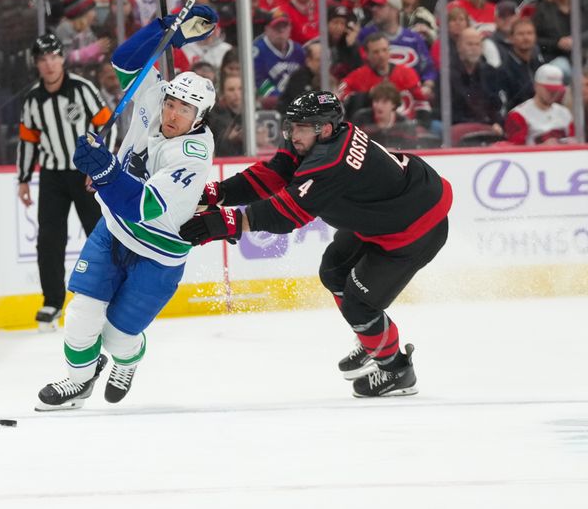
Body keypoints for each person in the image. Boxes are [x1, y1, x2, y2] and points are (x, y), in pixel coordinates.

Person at [179, 91, 452, 397]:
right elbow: (274, 174)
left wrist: (221, 222)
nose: (291, 134)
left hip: (415, 228)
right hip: (391, 212)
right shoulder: (319, 140)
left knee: (359, 305)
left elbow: (285, 213)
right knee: (334, 270)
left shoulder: (330, 161)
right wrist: (215, 193)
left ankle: (396, 369)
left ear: (323, 128)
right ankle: (373, 341)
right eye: (291, 125)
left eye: (299, 128)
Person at [36, 5, 219, 409]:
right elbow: (125, 60)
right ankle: (77, 382)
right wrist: (166, 31)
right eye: (171, 102)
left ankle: (128, 359)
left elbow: (145, 207)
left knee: (118, 337)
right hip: (113, 232)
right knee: (80, 315)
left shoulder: (193, 152)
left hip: (158, 254)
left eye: (184, 110)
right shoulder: (156, 100)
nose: (171, 113)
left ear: (200, 116)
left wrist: (104, 171)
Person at [16, 34, 118, 332]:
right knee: (49, 239)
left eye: (53, 57)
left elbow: (106, 124)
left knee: (99, 235)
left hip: (84, 173)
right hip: (52, 176)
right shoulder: (33, 99)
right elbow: (27, 142)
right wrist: (23, 179)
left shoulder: (83, 89)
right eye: (42, 59)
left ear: (62, 58)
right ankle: (52, 302)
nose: (49, 64)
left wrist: (98, 165)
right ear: (37, 64)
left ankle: (110, 294)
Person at [504, 64, 574, 145]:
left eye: (556, 89)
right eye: (548, 89)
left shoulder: (565, 113)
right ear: (536, 86)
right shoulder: (519, 115)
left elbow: (575, 142)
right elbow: (515, 150)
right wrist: (542, 147)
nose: (553, 93)